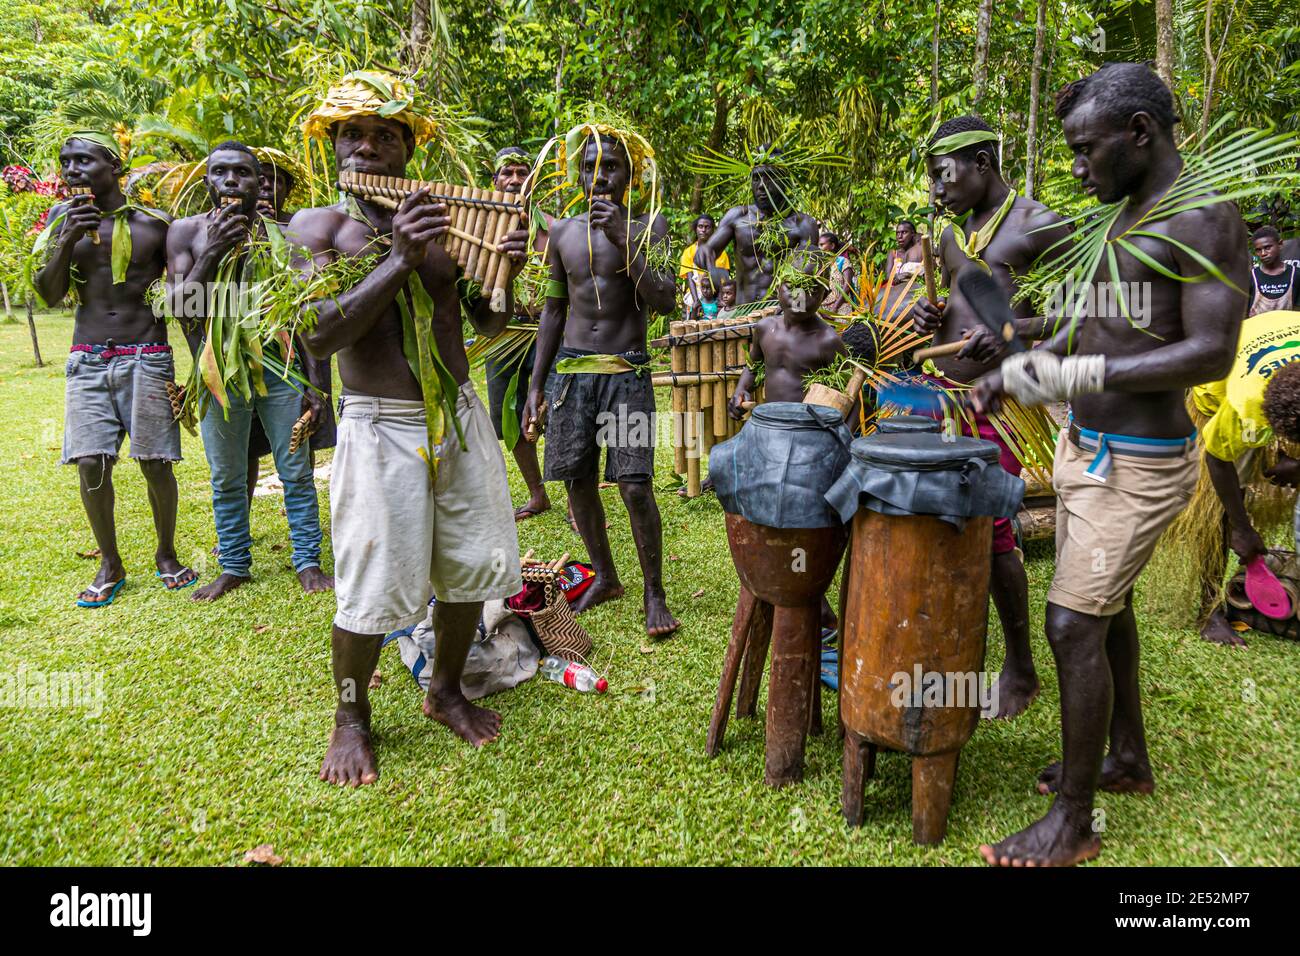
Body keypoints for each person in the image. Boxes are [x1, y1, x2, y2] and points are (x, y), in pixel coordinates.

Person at [970, 62, 1250, 866]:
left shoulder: (1203, 215)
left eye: (1087, 150)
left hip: (1140, 462)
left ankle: (1073, 823)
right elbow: (1095, 322)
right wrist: (1023, 365)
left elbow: (1210, 351)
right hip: (1087, 450)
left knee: (1070, 623)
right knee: (1105, 607)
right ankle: (1125, 757)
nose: (1078, 167)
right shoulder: (1122, 214)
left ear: (1140, 133)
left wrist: (1078, 374)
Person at [290, 72, 529, 785]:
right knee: (369, 589)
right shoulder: (316, 231)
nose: (367, 147)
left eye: (384, 136)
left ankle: (445, 689)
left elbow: (484, 323)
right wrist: (397, 258)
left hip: (456, 417)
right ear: (334, 146)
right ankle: (350, 716)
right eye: (353, 135)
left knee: (468, 569)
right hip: (380, 425)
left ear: (406, 150)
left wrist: (504, 275)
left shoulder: (446, 222)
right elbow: (319, 335)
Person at [910, 114, 1070, 720]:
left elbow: (1076, 319)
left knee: (998, 533)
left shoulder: (1039, 224)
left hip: (995, 406)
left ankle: (1021, 666)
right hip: (941, 397)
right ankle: (947, 645)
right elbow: (958, 303)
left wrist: (1006, 333)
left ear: (981, 162)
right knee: (942, 524)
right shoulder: (957, 234)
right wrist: (933, 318)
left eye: (944, 174)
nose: (937, 190)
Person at [522, 123, 680, 638]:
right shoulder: (563, 233)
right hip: (571, 375)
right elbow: (552, 310)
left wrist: (621, 239)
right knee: (577, 481)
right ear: (578, 174)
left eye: (610, 167)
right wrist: (535, 385)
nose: (599, 178)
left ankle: (654, 592)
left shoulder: (649, 229)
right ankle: (606, 576)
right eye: (590, 167)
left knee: (634, 486)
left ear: (628, 175)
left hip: (627, 371)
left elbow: (664, 300)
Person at [32, 131, 196, 607]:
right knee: (90, 462)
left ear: (115, 166)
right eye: (66, 161)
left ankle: (166, 553)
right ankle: (110, 562)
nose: (72, 169)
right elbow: (46, 293)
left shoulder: (155, 224)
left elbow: (186, 296)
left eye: (84, 159)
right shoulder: (60, 219)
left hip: (147, 354)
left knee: (156, 462)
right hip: (87, 356)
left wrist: (199, 364)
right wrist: (65, 240)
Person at [165, 142, 330, 601]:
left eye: (243, 173)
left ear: (260, 184)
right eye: (221, 173)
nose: (231, 181)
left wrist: (312, 385)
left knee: (295, 468)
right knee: (227, 475)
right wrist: (212, 251)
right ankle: (235, 564)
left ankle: (308, 562)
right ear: (207, 182)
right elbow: (181, 307)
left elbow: (303, 313)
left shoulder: (284, 234)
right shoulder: (185, 232)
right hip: (217, 370)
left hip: (279, 365)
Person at [1190, 309, 1300, 647]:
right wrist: (1242, 528)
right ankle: (1208, 612)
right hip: (1218, 384)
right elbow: (1218, 460)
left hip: (1281, 328)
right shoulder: (1244, 406)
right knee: (1216, 513)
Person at [243, 149, 336, 502]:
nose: (266, 186)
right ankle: (245, 509)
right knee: (247, 445)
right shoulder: (229, 227)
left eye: (275, 180)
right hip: (249, 351)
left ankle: (301, 513)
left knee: (302, 428)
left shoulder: (303, 229)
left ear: (287, 189)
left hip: (299, 348)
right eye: (260, 177)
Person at [483, 146, 556, 521]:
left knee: (560, 414)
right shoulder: (478, 226)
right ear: (494, 181)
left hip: (550, 332)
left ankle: (577, 502)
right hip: (502, 334)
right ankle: (537, 493)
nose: (514, 179)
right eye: (507, 172)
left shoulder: (553, 228)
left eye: (522, 172)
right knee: (508, 417)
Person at [695, 150, 820, 304]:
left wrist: (795, 313)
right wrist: (709, 261)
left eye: (769, 178)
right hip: (743, 312)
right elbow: (705, 252)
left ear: (785, 181)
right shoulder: (738, 217)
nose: (761, 185)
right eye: (756, 178)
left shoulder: (803, 224)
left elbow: (803, 279)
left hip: (782, 316)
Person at [728, 255, 846, 411]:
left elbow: (849, 396)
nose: (799, 298)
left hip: (808, 428)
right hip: (770, 423)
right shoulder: (764, 329)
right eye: (792, 286)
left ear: (824, 295)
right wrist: (741, 389)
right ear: (778, 287)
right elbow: (753, 367)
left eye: (810, 290)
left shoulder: (828, 341)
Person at [679, 213, 731, 319]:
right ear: (696, 229)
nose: (703, 230)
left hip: (716, 294)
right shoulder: (688, 252)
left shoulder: (722, 253)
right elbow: (690, 280)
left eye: (707, 227)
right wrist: (697, 301)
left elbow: (725, 279)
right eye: (700, 226)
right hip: (696, 294)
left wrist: (720, 299)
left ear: (712, 230)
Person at [1248, 226, 1299, 315]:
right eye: (1258, 250)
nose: (1263, 253)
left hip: (1289, 327)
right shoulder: (1250, 277)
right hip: (1257, 327)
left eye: (1267, 247)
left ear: (1280, 244)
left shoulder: (1296, 274)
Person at [818, 231, 858, 314]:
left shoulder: (843, 262)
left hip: (843, 306)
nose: (820, 248)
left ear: (832, 246)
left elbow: (847, 287)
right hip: (831, 303)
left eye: (822, 245)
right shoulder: (830, 264)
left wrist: (835, 308)